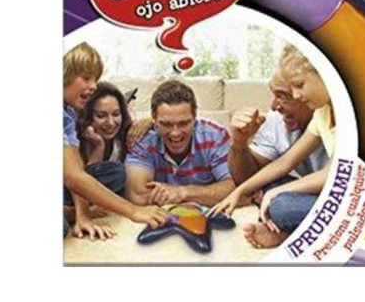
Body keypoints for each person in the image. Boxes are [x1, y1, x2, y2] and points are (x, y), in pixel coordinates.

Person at [210, 46, 335, 250]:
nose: (273, 106)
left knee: (282, 205)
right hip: (323, 192)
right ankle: (287, 230)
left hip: (351, 194)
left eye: (288, 93)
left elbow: (339, 174)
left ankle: (287, 234)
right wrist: (239, 191)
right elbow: (285, 162)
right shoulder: (321, 114)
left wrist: (278, 193)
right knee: (266, 187)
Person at [62, 43, 170, 238]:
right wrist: (133, 211)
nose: (93, 86)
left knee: (115, 172)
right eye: (86, 78)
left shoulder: (68, 113)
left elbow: (77, 172)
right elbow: (74, 177)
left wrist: (83, 217)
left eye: (95, 79)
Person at [124, 79, 236, 209]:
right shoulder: (141, 138)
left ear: (195, 117)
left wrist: (182, 193)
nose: (175, 133)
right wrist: (207, 194)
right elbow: (137, 195)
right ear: (154, 119)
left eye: (183, 123)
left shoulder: (215, 136)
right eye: (166, 124)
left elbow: (237, 189)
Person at [226, 66, 328, 184]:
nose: (274, 107)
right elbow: (246, 179)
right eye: (274, 94)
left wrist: (282, 190)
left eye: (284, 96)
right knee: (265, 183)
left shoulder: (333, 118)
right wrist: (239, 143)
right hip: (310, 188)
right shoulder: (276, 119)